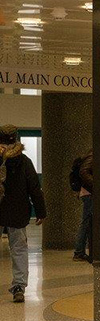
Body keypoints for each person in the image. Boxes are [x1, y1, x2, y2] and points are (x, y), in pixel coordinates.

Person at [0, 125, 46, 303]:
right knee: (19, 249)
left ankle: (19, 284)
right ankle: (19, 286)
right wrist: (41, 211)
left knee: (19, 248)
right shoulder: (24, 161)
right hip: (17, 211)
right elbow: (34, 188)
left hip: (10, 209)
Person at [73, 150, 93, 262]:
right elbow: (84, 172)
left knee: (87, 222)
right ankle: (79, 252)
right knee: (85, 223)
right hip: (89, 193)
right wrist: (96, 184)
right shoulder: (93, 155)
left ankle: (80, 251)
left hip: (88, 193)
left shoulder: (90, 154)